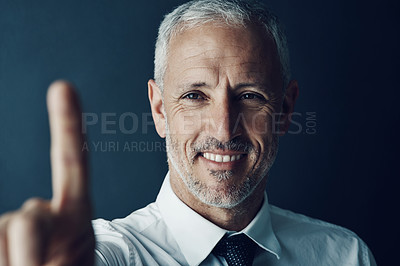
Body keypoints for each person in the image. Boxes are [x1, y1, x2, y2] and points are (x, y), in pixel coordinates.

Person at [0, 0, 376, 265]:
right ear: (160, 109)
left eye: (249, 96)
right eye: (195, 96)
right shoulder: (111, 254)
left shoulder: (344, 255)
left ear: (285, 109)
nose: (224, 127)